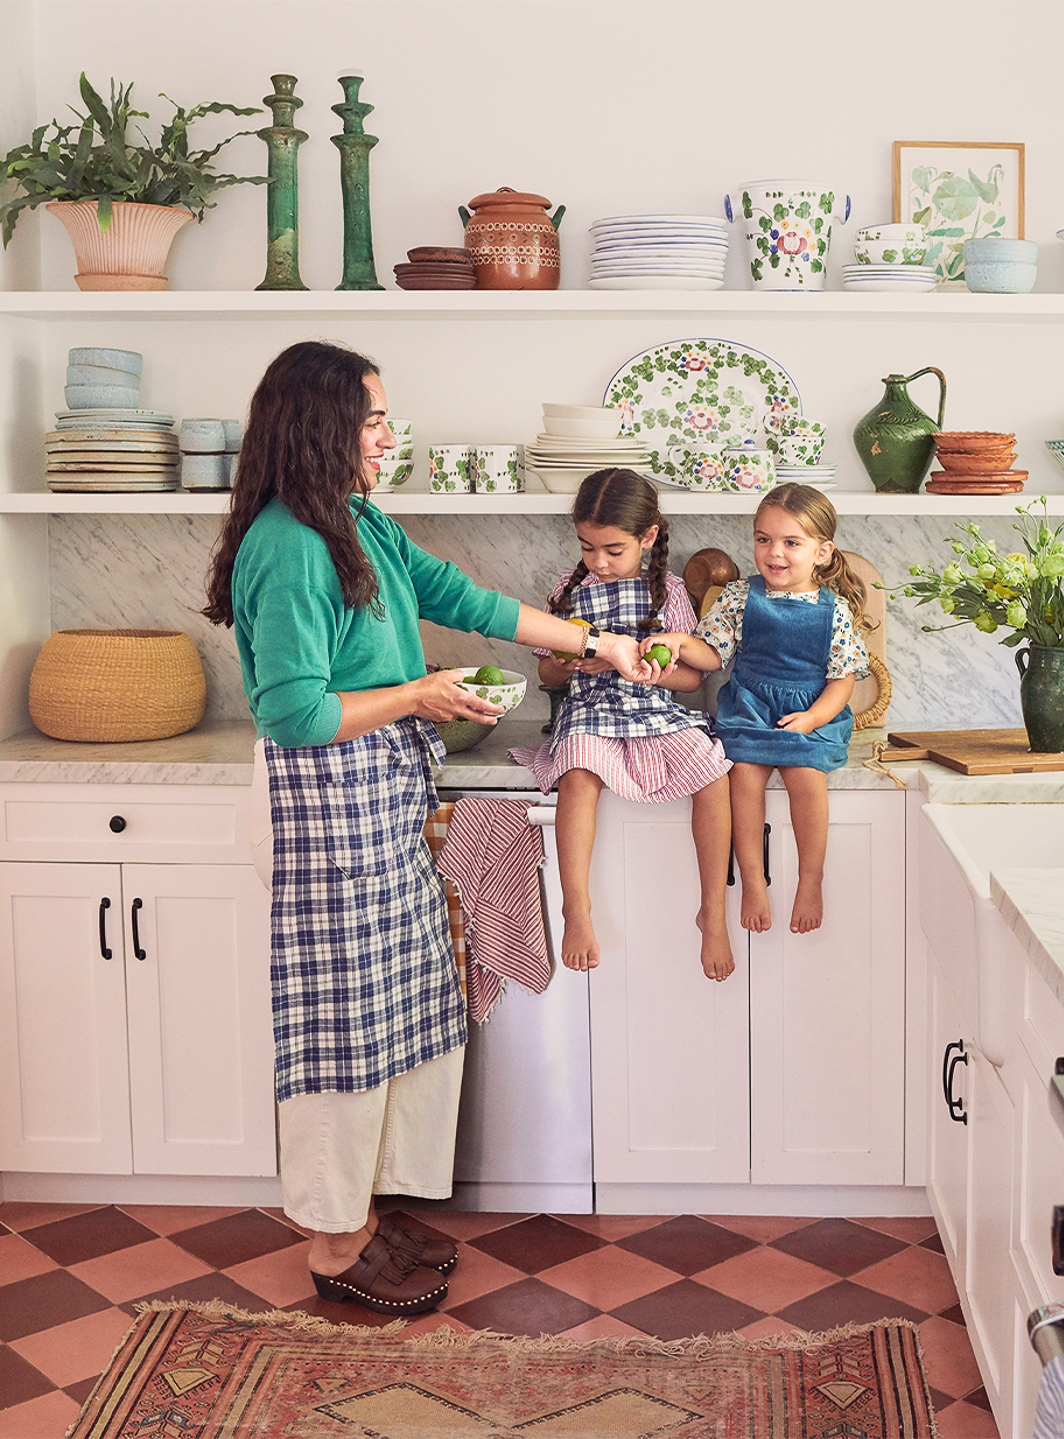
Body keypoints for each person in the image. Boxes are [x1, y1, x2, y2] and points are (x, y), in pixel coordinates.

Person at [202, 341, 650, 1318]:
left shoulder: (354, 518)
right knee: (338, 1029)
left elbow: (460, 597)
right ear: (322, 426)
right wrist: (417, 692)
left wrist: (598, 641)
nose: (387, 435)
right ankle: (332, 1237)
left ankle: (368, 1208)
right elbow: (295, 713)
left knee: (400, 1005)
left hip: (380, 791)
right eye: (372, 419)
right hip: (326, 804)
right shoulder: (287, 544)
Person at [508, 468, 735, 981]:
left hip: (656, 711)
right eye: (588, 548)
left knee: (713, 773)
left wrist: (636, 664)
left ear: (648, 537)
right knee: (578, 775)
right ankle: (576, 907)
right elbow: (544, 667)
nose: (600, 562)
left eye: (613, 549)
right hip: (589, 711)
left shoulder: (668, 592)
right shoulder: (567, 593)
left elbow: (690, 682)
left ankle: (713, 912)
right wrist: (564, 663)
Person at [644, 483, 869, 936]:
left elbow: (842, 680)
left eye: (791, 542)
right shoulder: (738, 597)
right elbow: (712, 655)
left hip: (808, 710)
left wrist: (814, 719)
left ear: (822, 552)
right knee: (742, 777)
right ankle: (751, 879)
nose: (774, 552)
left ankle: (811, 879)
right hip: (750, 707)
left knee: (806, 778)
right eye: (763, 539)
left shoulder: (834, 611)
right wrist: (680, 642)